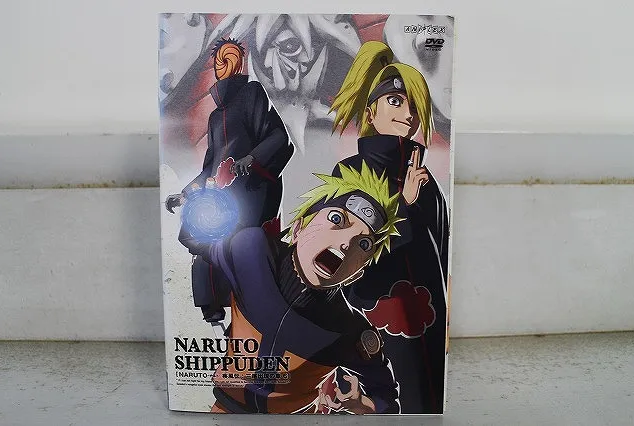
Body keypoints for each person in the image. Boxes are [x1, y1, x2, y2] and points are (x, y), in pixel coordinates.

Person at [190, 163, 402, 414]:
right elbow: (196, 242)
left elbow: (387, 400)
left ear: (358, 272)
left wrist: (360, 404)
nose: (347, 242)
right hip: (225, 410)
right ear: (299, 228)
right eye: (337, 219)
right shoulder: (251, 251)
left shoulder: (349, 330)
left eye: (364, 244)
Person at [329, 41, 449, 413]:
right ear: (371, 111)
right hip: (373, 312)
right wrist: (405, 205)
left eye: (414, 105)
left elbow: (442, 249)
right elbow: (349, 249)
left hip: (428, 315)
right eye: (395, 101)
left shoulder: (425, 179)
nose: (408, 114)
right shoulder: (351, 171)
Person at [166, 38, 294, 322]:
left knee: (241, 244)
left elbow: (278, 137)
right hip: (218, 198)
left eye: (230, 56)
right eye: (219, 60)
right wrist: (185, 194)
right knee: (196, 238)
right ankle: (214, 307)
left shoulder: (252, 94)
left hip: (251, 191)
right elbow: (209, 166)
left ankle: (255, 304)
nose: (224, 64)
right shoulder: (215, 118)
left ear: (239, 61)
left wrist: (252, 160)